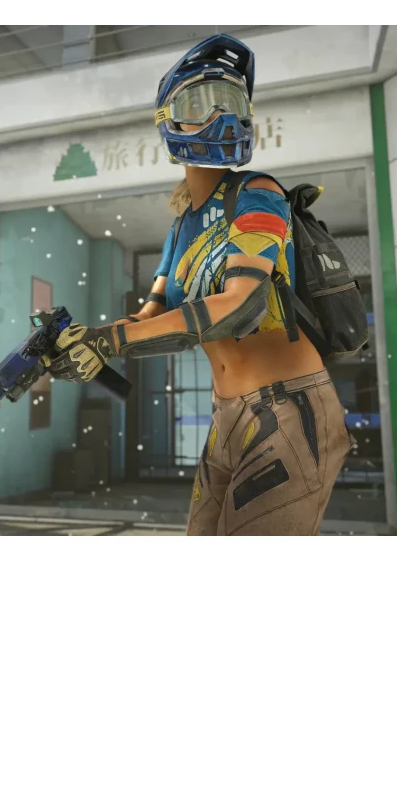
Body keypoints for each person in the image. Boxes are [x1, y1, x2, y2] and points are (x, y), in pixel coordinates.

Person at [50, 34, 350, 535]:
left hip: (290, 408)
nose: (221, 118)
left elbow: (240, 305)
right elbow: (151, 317)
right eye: (199, 105)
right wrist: (85, 341)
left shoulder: (258, 193)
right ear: (167, 121)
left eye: (231, 103)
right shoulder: (179, 228)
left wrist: (112, 341)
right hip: (226, 416)